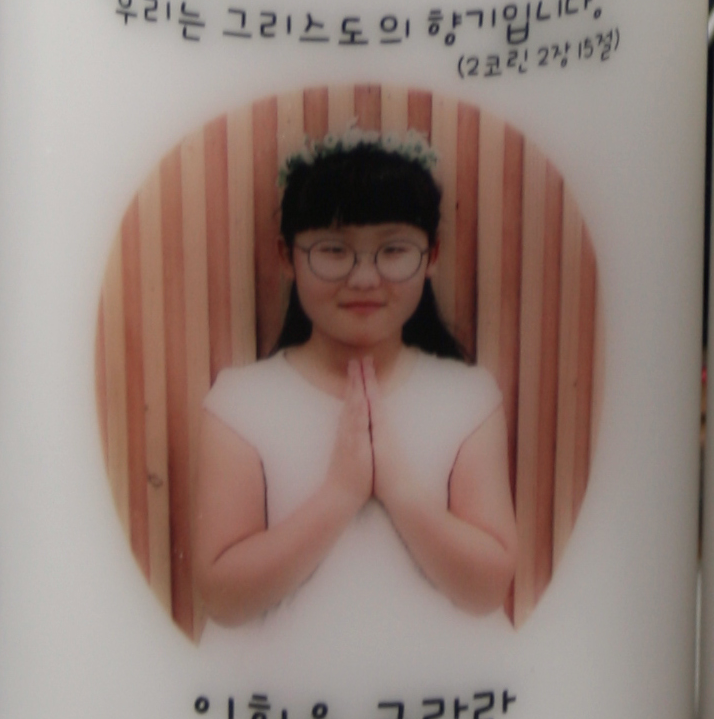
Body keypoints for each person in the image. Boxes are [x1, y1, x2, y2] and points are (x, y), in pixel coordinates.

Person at [192, 135, 516, 627]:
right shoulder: (240, 403)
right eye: (333, 250)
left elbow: (488, 590)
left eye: (393, 250)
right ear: (287, 256)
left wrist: (399, 488)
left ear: (431, 255)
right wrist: (340, 494)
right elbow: (222, 599)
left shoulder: (468, 399)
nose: (364, 278)